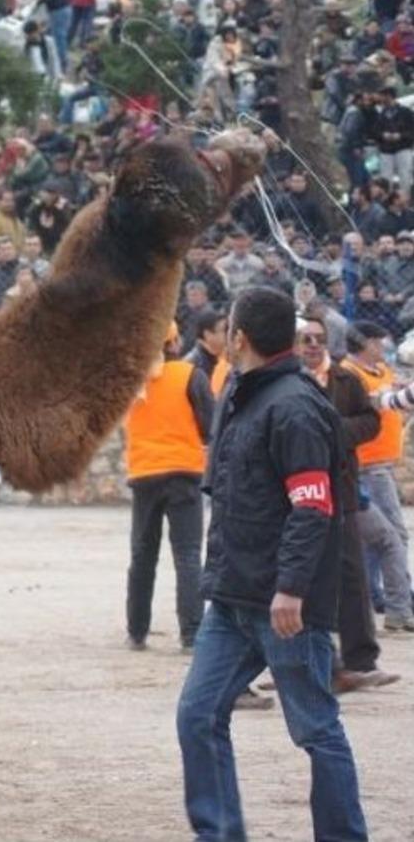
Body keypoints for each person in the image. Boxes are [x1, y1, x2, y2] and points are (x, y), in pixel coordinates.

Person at [177, 287, 368, 842]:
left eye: (229, 328)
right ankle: (219, 833)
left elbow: (312, 507)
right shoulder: (244, 392)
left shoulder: (294, 406)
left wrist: (290, 588)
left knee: (315, 729)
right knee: (197, 715)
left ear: (238, 337)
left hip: (286, 605)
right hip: (232, 599)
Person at [294, 316, 400, 692]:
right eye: (305, 339)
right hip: (297, 494)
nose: (313, 345)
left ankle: (361, 660)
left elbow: (371, 423)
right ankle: (296, 663)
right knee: (297, 576)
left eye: (319, 339)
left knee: (352, 575)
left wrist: (336, 432)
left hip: (341, 489)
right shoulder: (286, 383)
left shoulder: (345, 380)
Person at [123, 323, 211, 651]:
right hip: (184, 472)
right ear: (174, 342)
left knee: (142, 555)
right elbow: (208, 424)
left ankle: (137, 632)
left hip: (144, 474)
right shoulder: (190, 375)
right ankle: (191, 634)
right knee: (187, 555)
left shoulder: (130, 381)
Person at [340, 320, 414, 632]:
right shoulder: (349, 373)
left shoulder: (381, 371)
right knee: (393, 535)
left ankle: (379, 597)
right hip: (367, 463)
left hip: (382, 462)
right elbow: (372, 404)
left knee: (376, 538)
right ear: (365, 343)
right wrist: (389, 397)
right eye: (377, 341)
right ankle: (399, 605)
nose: (383, 346)